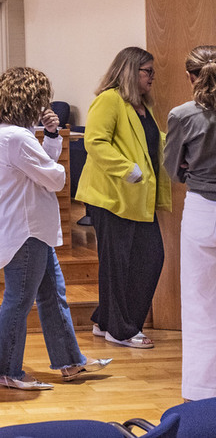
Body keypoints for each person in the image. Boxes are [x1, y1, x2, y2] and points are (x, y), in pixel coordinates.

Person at [0, 67, 111, 390]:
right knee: (19, 299)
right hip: (25, 231)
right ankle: (5, 370)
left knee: (52, 294)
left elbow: (39, 169)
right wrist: (55, 166)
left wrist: (51, 136)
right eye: (41, 101)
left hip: (26, 228)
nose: (43, 107)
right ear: (28, 99)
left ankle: (70, 361)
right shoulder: (16, 138)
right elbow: (54, 178)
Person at [76, 47, 171, 349]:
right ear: (130, 71)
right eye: (148, 71)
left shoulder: (142, 106)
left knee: (150, 257)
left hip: (139, 198)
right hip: (113, 196)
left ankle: (107, 320)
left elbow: (151, 143)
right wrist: (126, 169)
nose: (152, 77)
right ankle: (122, 329)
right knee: (119, 264)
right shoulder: (109, 100)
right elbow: (95, 141)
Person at [163, 45, 216, 401]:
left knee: (199, 305)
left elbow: (172, 168)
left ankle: (200, 392)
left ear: (190, 76)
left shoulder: (183, 114)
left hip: (202, 209)